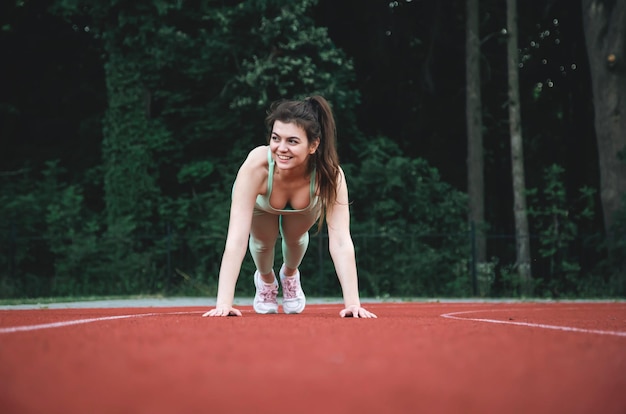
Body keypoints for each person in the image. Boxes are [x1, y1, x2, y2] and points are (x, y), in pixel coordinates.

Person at [202, 95, 376, 318]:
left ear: (313, 145)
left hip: (303, 209)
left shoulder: (330, 175)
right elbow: (236, 238)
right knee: (263, 243)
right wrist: (224, 303)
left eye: (292, 141)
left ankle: (290, 274)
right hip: (262, 207)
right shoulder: (256, 166)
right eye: (276, 138)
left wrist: (353, 303)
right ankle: (266, 280)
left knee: (294, 239)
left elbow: (341, 241)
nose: (281, 148)